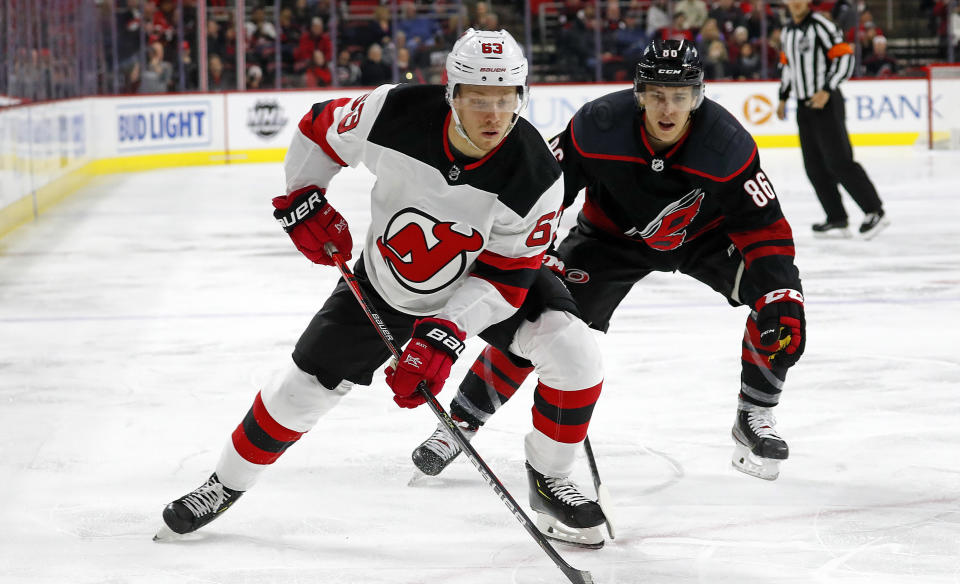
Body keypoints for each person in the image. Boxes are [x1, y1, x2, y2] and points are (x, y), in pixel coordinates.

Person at [156, 29, 608, 549]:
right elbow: (319, 130)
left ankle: (551, 479)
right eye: (478, 100)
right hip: (386, 285)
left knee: (573, 351)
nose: (493, 116)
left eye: (505, 100)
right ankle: (223, 484)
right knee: (295, 393)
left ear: (521, 97)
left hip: (482, 284)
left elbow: (507, 276)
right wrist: (303, 196)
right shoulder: (392, 112)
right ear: (451, 93)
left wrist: (447, 330)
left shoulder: (537, 175)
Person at [412, 39, 806, 485]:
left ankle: (754, 412)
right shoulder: (598, 125)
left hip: (706, 240)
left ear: (697, 97)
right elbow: (546, 192)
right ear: (638, 93)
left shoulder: (728, 144)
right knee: (538, 316)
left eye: (680, 96)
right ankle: (460, 423)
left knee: (780, 304)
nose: (668, 108)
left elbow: (765, 226)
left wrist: (780, 290)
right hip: (609, 241)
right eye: (657, 94)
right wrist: (537, 257)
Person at [777, 0, 888, 239]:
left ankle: (874, 211)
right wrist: (783, 97)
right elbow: (787, 66)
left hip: (826, 103)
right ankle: (836, 217)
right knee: (814, 166)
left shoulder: (821, 25)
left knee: (839, 161)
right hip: (804, 106)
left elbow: (845, 57)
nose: (795, 3)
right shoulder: (787, 31)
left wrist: (827, 89)